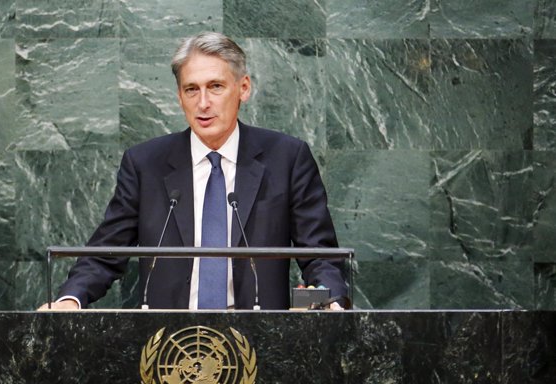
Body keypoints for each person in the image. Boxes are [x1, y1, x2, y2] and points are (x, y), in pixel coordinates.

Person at [38, 31, 347, 311]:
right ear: (179, 97)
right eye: (191, 89)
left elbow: (321, 256)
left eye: (215, 87)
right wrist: (70, 299)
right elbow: (105, 252)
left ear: (243, 88)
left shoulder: (287, 158)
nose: (203, 103)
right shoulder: (146, 163)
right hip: (167, 346)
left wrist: (326, 299)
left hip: (260, 340)